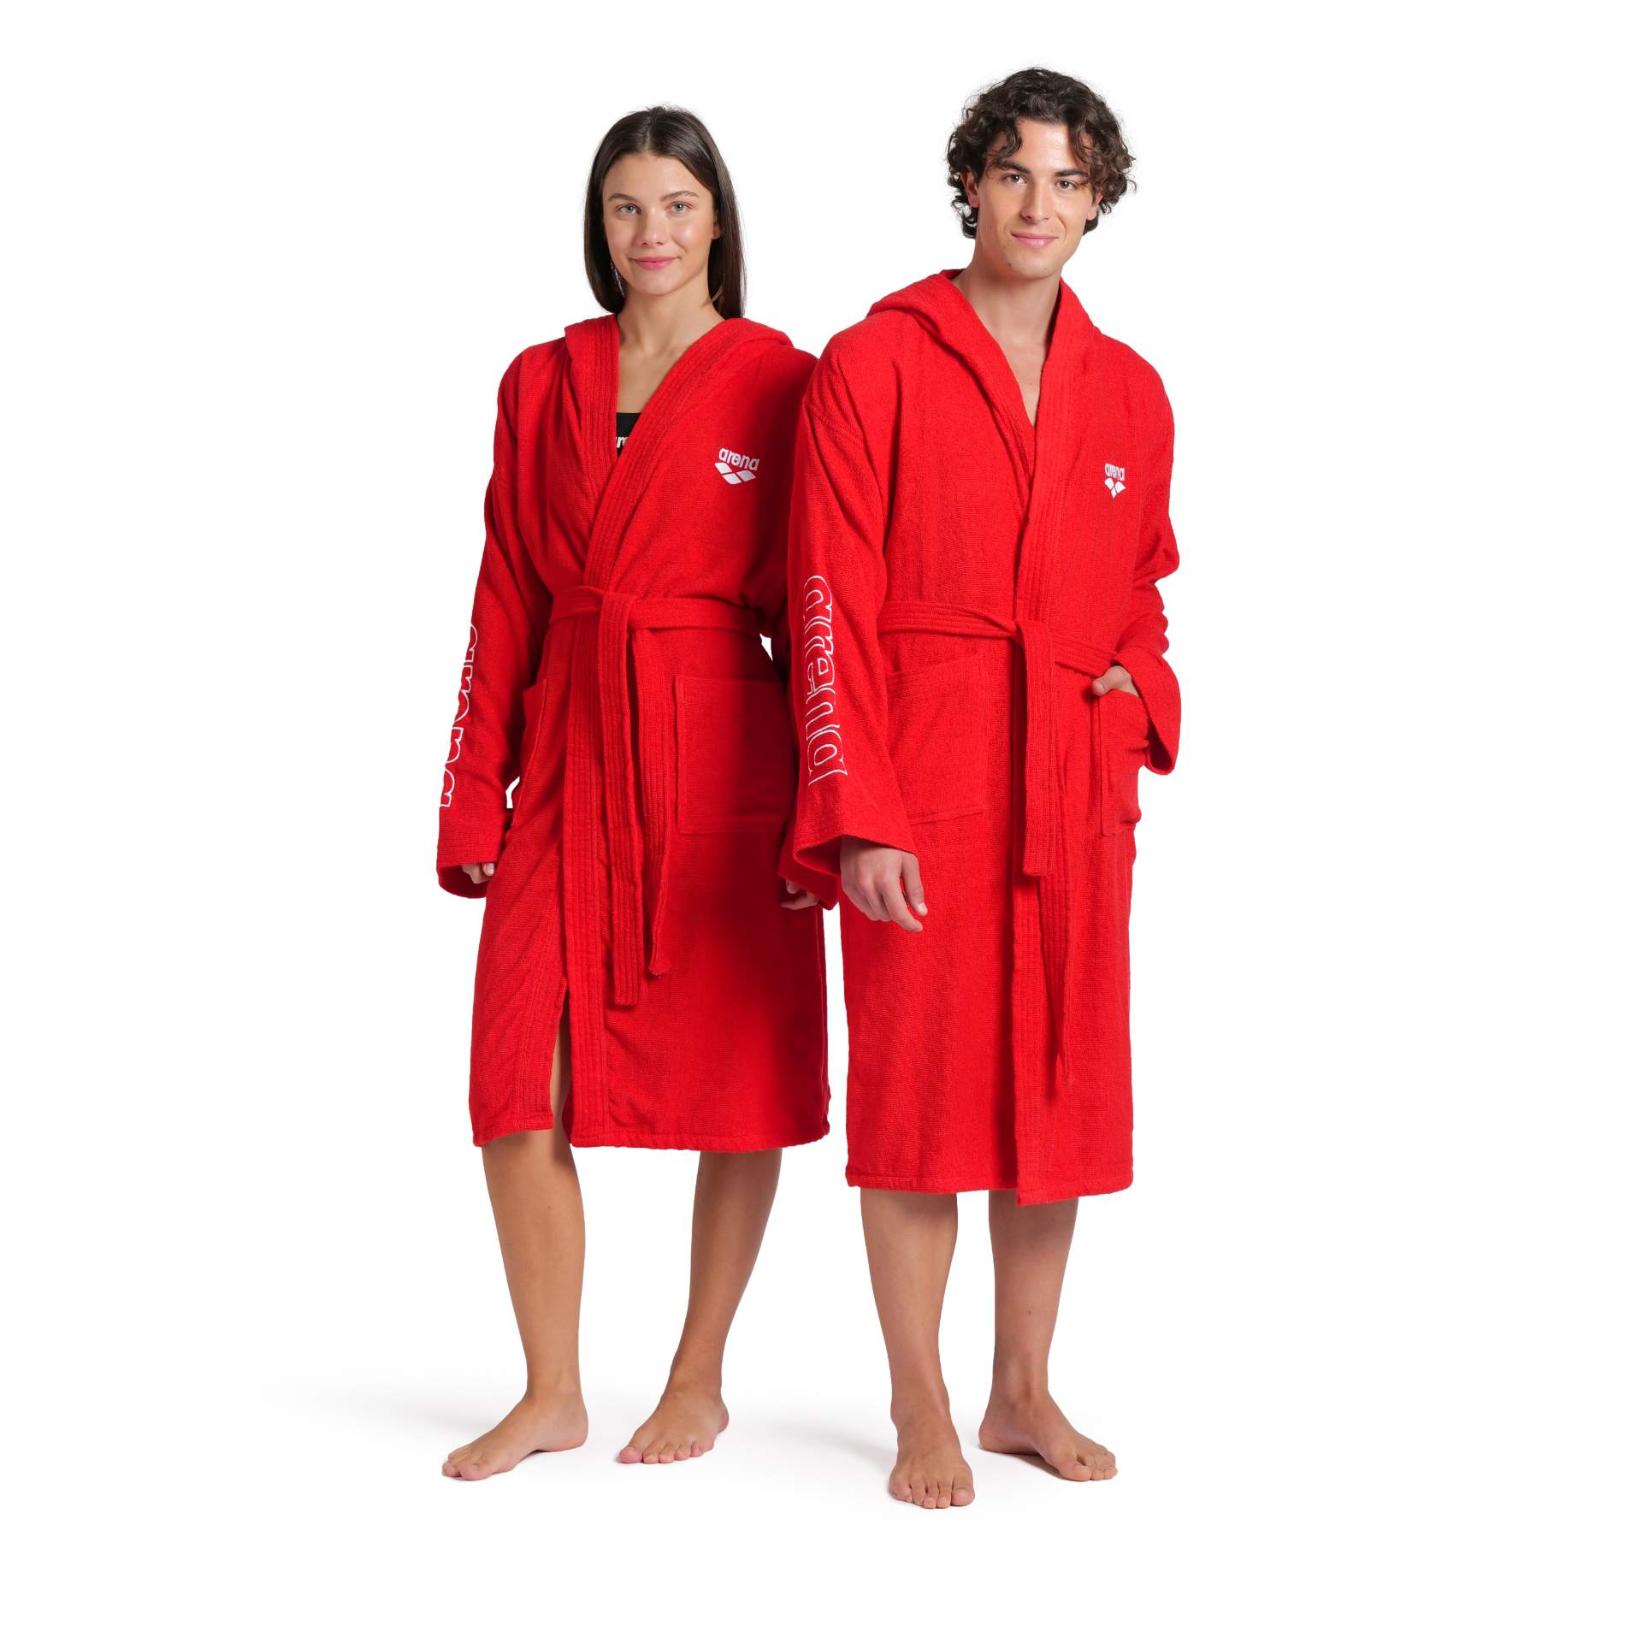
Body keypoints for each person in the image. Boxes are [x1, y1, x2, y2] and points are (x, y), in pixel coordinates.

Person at [781, 67, 1182, 1509]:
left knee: (1054, 1104)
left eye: (1068, 180)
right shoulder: (873, 362)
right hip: (928, 773)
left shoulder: (1131, 390)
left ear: (1098, 199)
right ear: (969, 184)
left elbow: (1142, 590)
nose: (1038, 204)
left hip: (1069, 789)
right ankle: (921, 1402)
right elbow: (826, 593)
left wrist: (1138, 692)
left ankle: (1022, 1390)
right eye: (1013, 173)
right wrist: (859, 810)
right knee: (917, 1097)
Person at [436, 106, 827, 1480]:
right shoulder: (542, 381)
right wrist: (472, 792)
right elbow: (505, 588)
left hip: (723, 751)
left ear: (718, 219)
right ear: (597, 226)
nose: (651, 232)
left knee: (742, 1073)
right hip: (569, 750)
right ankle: (551, 1389)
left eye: (676, 204)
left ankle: (697, 1376)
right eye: (625, 207)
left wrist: (827, 806)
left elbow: (822, 600)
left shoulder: (785, 382)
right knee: (513, 1079)